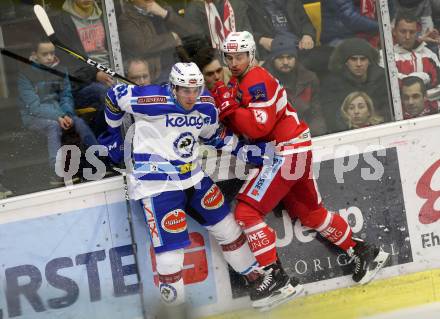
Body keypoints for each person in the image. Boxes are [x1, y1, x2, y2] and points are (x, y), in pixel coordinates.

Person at [212, 31, 390, 308]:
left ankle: (277, 279)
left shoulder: (256, 79)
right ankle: (365, 252)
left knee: (247, 212)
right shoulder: (240, 81)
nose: (234, 61)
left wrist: (229, 109)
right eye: (230, 57)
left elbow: (258, 127)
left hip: (285, 152)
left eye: (240, 56)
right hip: (292, 150)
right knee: (310, 213)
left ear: (251, 55)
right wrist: (227, 106)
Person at [102, 62, 280, 316]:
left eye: (195, 89)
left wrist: (243, 150)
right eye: (185, 90)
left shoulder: (205, 104)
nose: (191, 96)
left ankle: (259, 284)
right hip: (157, 184)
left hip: (193, 177)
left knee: (228, 228)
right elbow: (113, 96)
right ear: (173, 87)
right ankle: (175, 313)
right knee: (171, 254)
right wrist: (112, 136)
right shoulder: (150, 99)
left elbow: (214, 134)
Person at [17, 38, 98, 185]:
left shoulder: (61, 71)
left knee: (78, 122)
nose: (49, 57)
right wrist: (58, 116)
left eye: (52, 53)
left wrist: (67, 114)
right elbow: (34, 107)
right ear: (34, 55)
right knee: (52, 126)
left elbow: (66, 95)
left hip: (59, 113)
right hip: (34, 117)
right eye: (44, 54)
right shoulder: (25, 75)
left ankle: (99, 160)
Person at [52, 0, 113, 135]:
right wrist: (95, 74)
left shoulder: (109, 13)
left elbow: (123, 47)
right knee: (105, 94)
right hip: (83, 83)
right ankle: (100, 143)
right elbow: (68, 63)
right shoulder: (61, 22)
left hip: (113, 72)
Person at [118, 0, 199, 83]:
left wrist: (165, 14)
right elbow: (140, 47)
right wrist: (172, 38)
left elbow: (193, 33)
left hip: (179, 65)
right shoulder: (127, 19)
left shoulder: (163, 9)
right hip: (155, 73)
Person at [321, 37, 391, 132]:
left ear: (369, 61)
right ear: (345, 62)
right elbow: (331, 115)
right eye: (353, 59)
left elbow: (388, 109)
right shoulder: (332, 83)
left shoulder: (381, 78)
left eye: (363, 59)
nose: (359, 64)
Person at [262, 34, 327, 136]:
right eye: (280, 58)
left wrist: (310, 135)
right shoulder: (263, 82)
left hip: (308, 134)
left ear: (296, 58)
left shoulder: (309, 78)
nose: (285, 62)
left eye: (290, 57)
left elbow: (317, 113)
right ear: (272, 59)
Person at [380, 11, 440, 88]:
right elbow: (392, 83)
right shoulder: (385, 55)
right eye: (403, 31)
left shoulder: (429, 54)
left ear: (417, 33)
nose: (407, 37)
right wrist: (425, 77)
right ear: (394, 32)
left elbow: (438, 77)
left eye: (412, 32)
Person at [244, 0, 316, 60]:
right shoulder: (246, 4)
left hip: (300, 47)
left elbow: (305, 22)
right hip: (273, 52)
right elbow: (242, 31)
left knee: (324, 59)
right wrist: (260, 39)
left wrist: (307, 35)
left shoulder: (291, 2)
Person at [184, 0, 254, 50]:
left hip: (241, 57)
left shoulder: (236, 3)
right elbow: (198, 47)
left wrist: (254, 58)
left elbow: (247, 35)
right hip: (215, 66)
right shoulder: (194, 9)